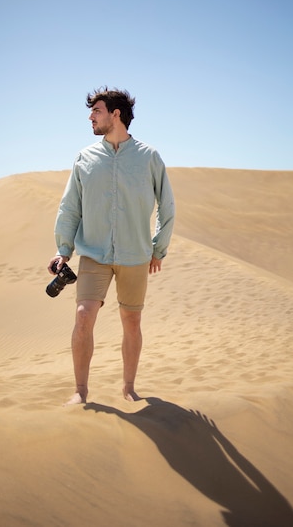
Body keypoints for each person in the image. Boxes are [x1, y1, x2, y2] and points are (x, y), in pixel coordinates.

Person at [48, 87, 175, 405]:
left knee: (132, 321)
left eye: (97, 110)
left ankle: (129, 387)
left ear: (116, 114)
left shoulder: (149, 157)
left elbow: (167, 205)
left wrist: (158, 248)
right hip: (94, 252)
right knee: (82, 315)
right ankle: (80, 391)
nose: (91, 116)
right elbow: (70, 207)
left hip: (135, 254)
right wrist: (63, 250)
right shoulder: (85, 158)